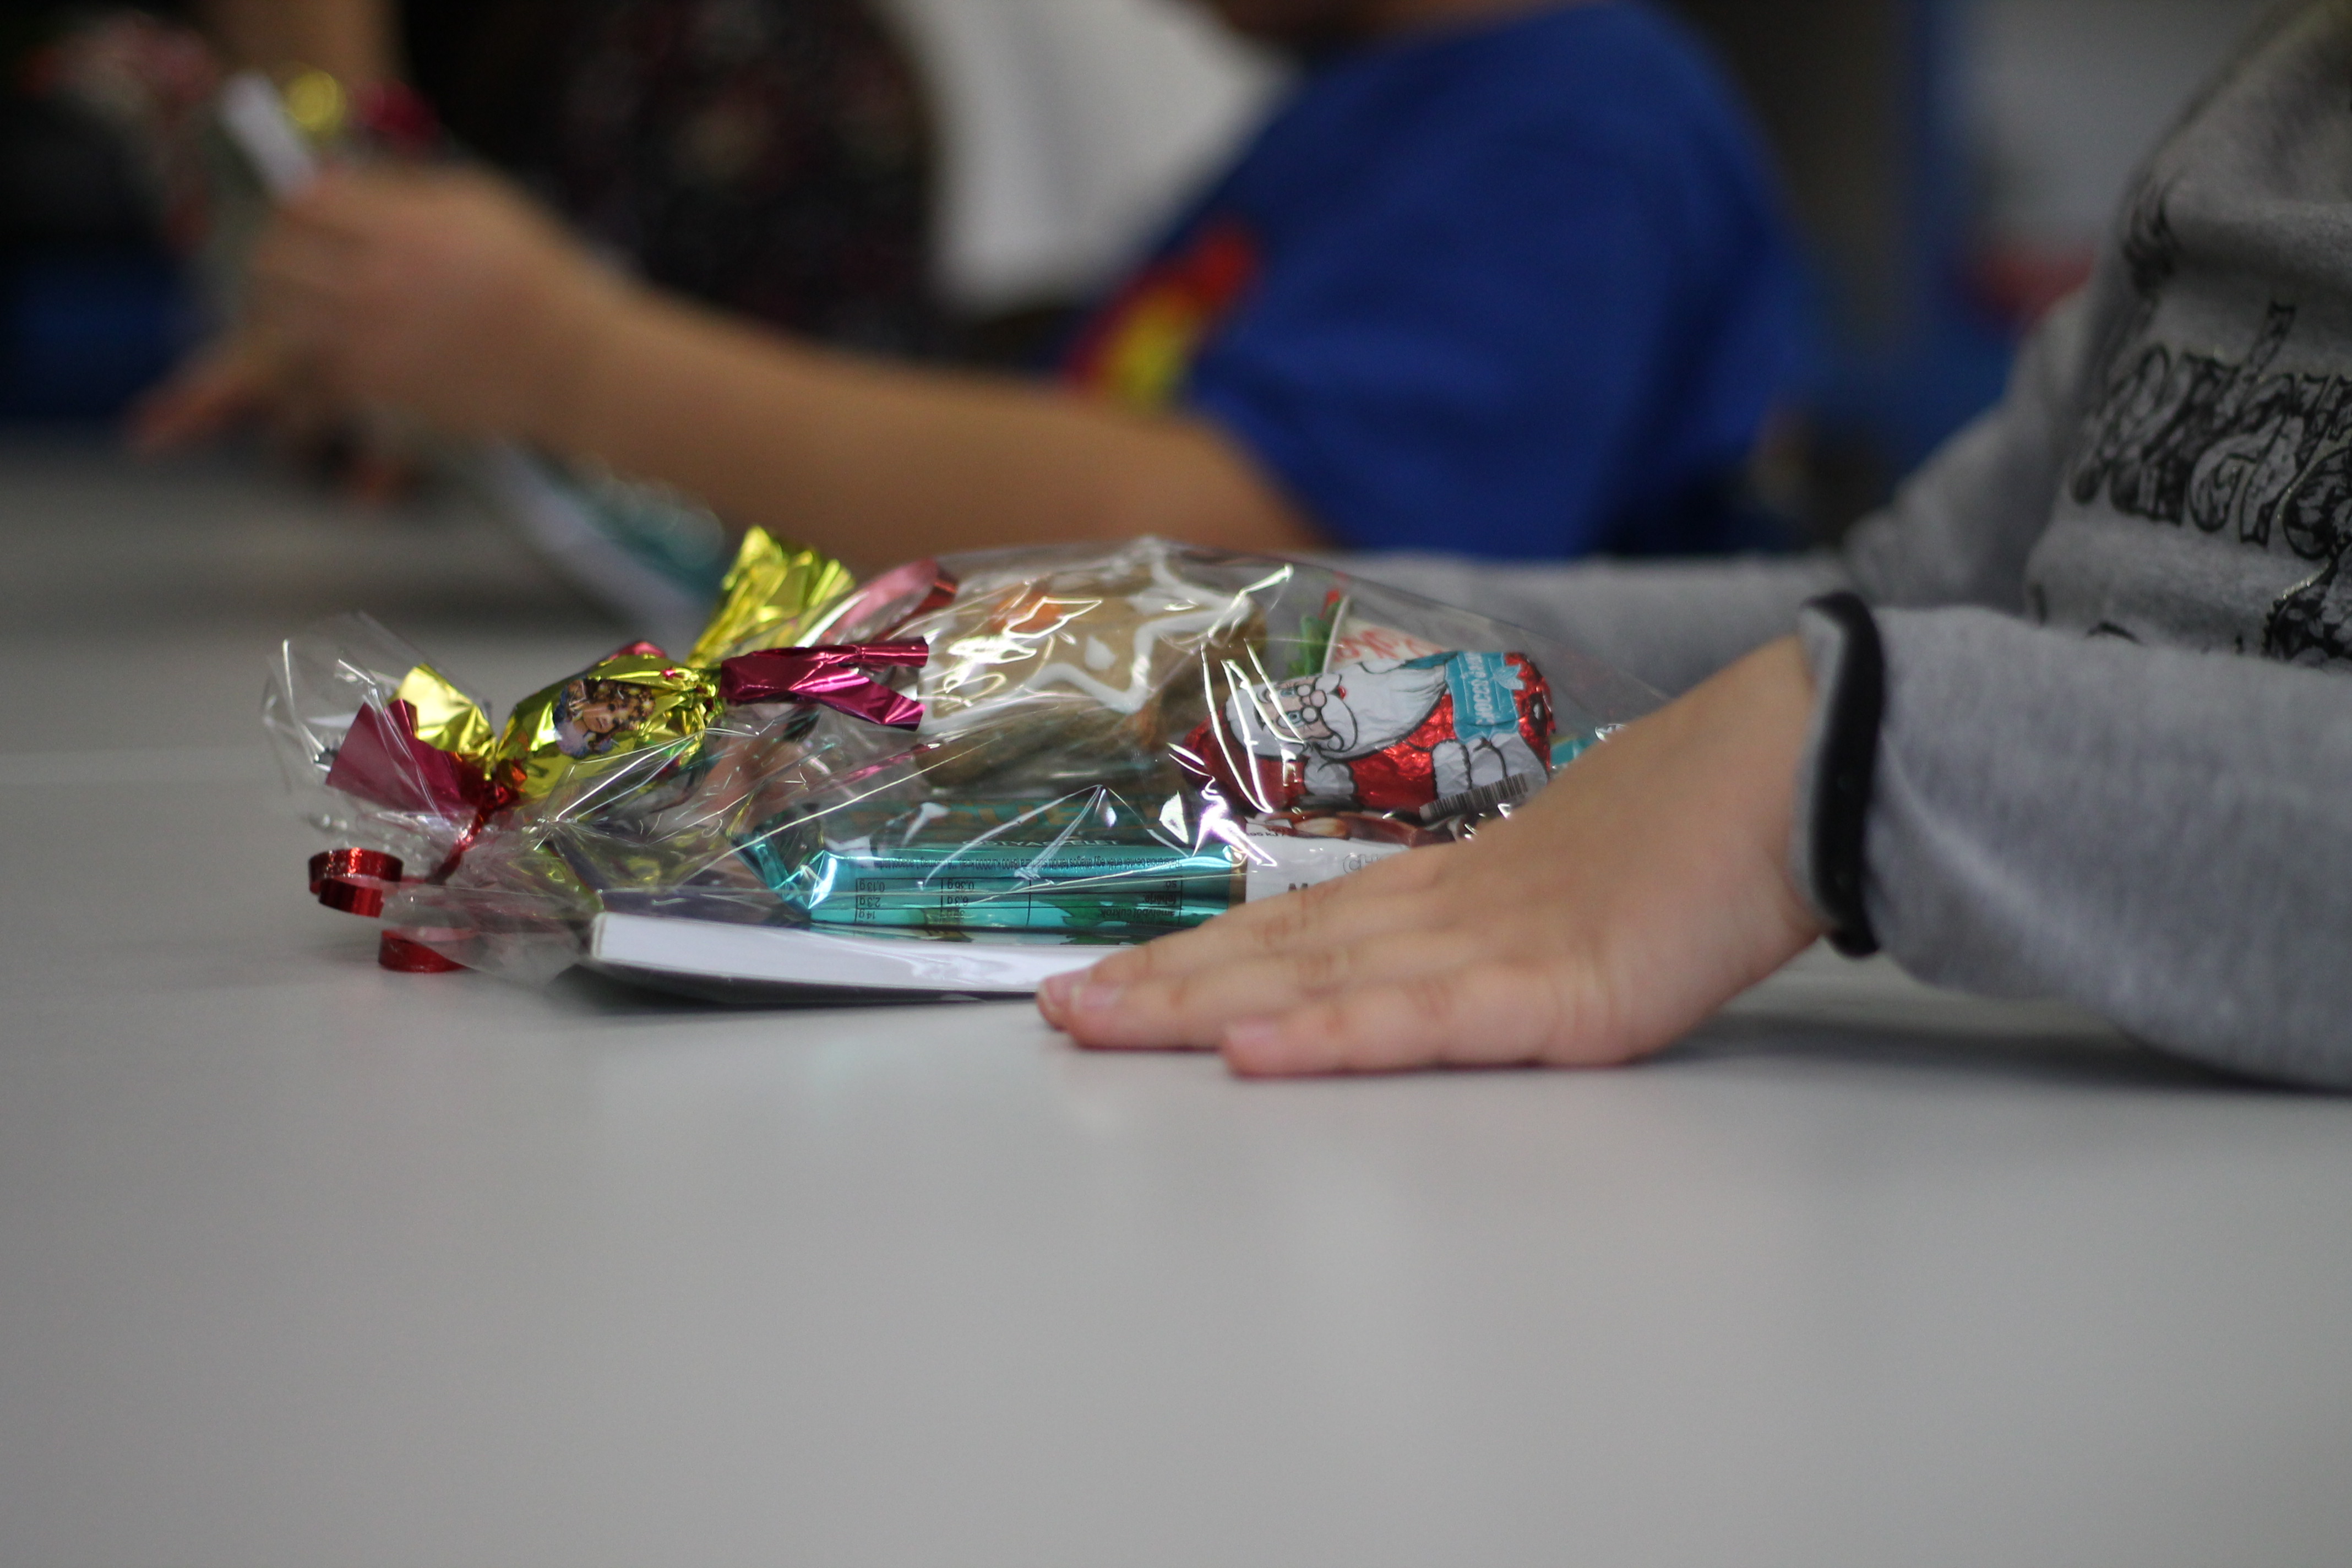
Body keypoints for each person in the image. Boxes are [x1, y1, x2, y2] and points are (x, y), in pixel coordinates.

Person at [1039, 0, 2352, 1091]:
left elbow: (1848, 693)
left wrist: (1847, 752)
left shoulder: (1576, 118)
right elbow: (1908, 602)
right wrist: (1308, 627)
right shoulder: (2269, 97)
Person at [141, 0, 1811, 570]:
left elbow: (1234, 541)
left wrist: (563, 360)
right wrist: (461, 390)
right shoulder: (1352, 122)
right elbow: (1050, 454)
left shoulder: (1579, 132)